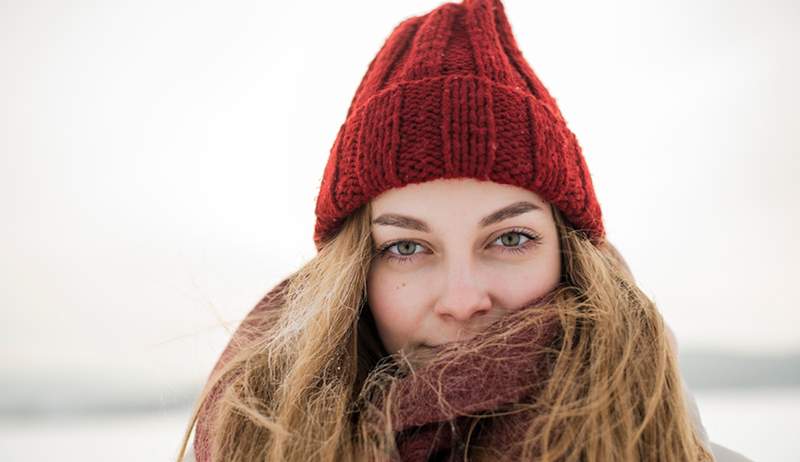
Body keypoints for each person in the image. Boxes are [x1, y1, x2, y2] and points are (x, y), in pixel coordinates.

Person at [176, 0, 753, 460]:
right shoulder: (252, 442)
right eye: (405, 246)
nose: (462, 300)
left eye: (510, 239)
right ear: (352, 276)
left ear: (572, 255)